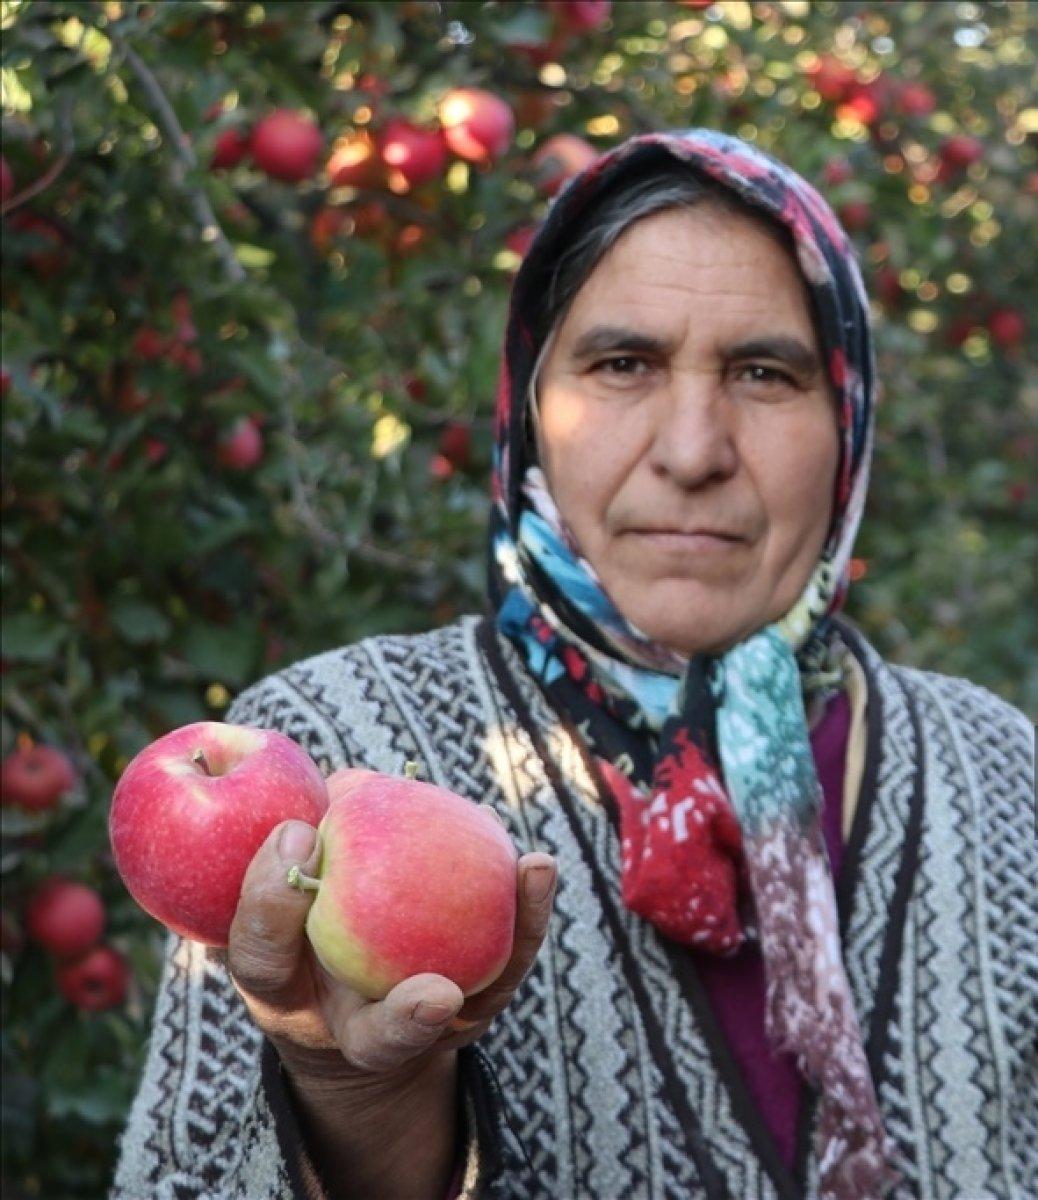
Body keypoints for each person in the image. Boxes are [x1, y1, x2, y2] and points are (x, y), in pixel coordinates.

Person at [111, 129, 1036, 1200]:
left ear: (850, 420)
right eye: (623, 365)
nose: (694, 451)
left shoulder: (1002, 776)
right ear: (530, 409)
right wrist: (356, 1096)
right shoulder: (323, 754)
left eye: (765, 372)